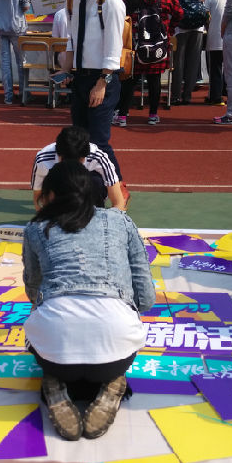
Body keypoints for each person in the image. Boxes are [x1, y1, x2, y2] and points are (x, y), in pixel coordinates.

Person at [22, 161, 155, 440]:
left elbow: (33, 292)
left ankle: (56, 383)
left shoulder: (36, 228)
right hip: (115, 351)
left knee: (37, 326)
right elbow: (145, 297)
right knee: (121, 335)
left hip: (54, 353)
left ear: (51, 195)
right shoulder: (120, 221)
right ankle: (111, 383)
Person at [60, 0, 126, 178]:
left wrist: (102, 83)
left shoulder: (110, 0)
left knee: (98, 143)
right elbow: (72, 38)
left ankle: (119, 190)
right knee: (79, 142)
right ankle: (85, 189)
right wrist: (66, 69)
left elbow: (114, 48)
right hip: (80, 79)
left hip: (102, 80)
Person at [122, 0, 183, 126]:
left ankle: (122, 115)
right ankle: (153, 115)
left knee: (130, 80)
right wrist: (169, 30)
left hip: (136, 43)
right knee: (154, 80)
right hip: (158, 44)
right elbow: (179, 13)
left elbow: (120, 10)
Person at [31, 126, 128, 210]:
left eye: (76, 163)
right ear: (58, 155)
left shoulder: (98, 157)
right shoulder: (43, 159)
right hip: (60, 195)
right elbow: (38, 199)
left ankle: (93, 212)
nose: (72, 168)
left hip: (90, 192)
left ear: (84, 158)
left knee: (96, 181)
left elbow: (118, 203)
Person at [171, 0, 210, 105]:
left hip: (196, 25)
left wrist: (189, 6)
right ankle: (175, 95)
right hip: (181, 25)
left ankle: (187, 95)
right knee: (178, 61)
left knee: (193, 61)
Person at [204, 0, 229, 106]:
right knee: (231, 68)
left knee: (215, 68)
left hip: (215, 37)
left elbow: (205, 16)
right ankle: (230, 94)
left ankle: (216, 97)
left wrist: (208, 27)